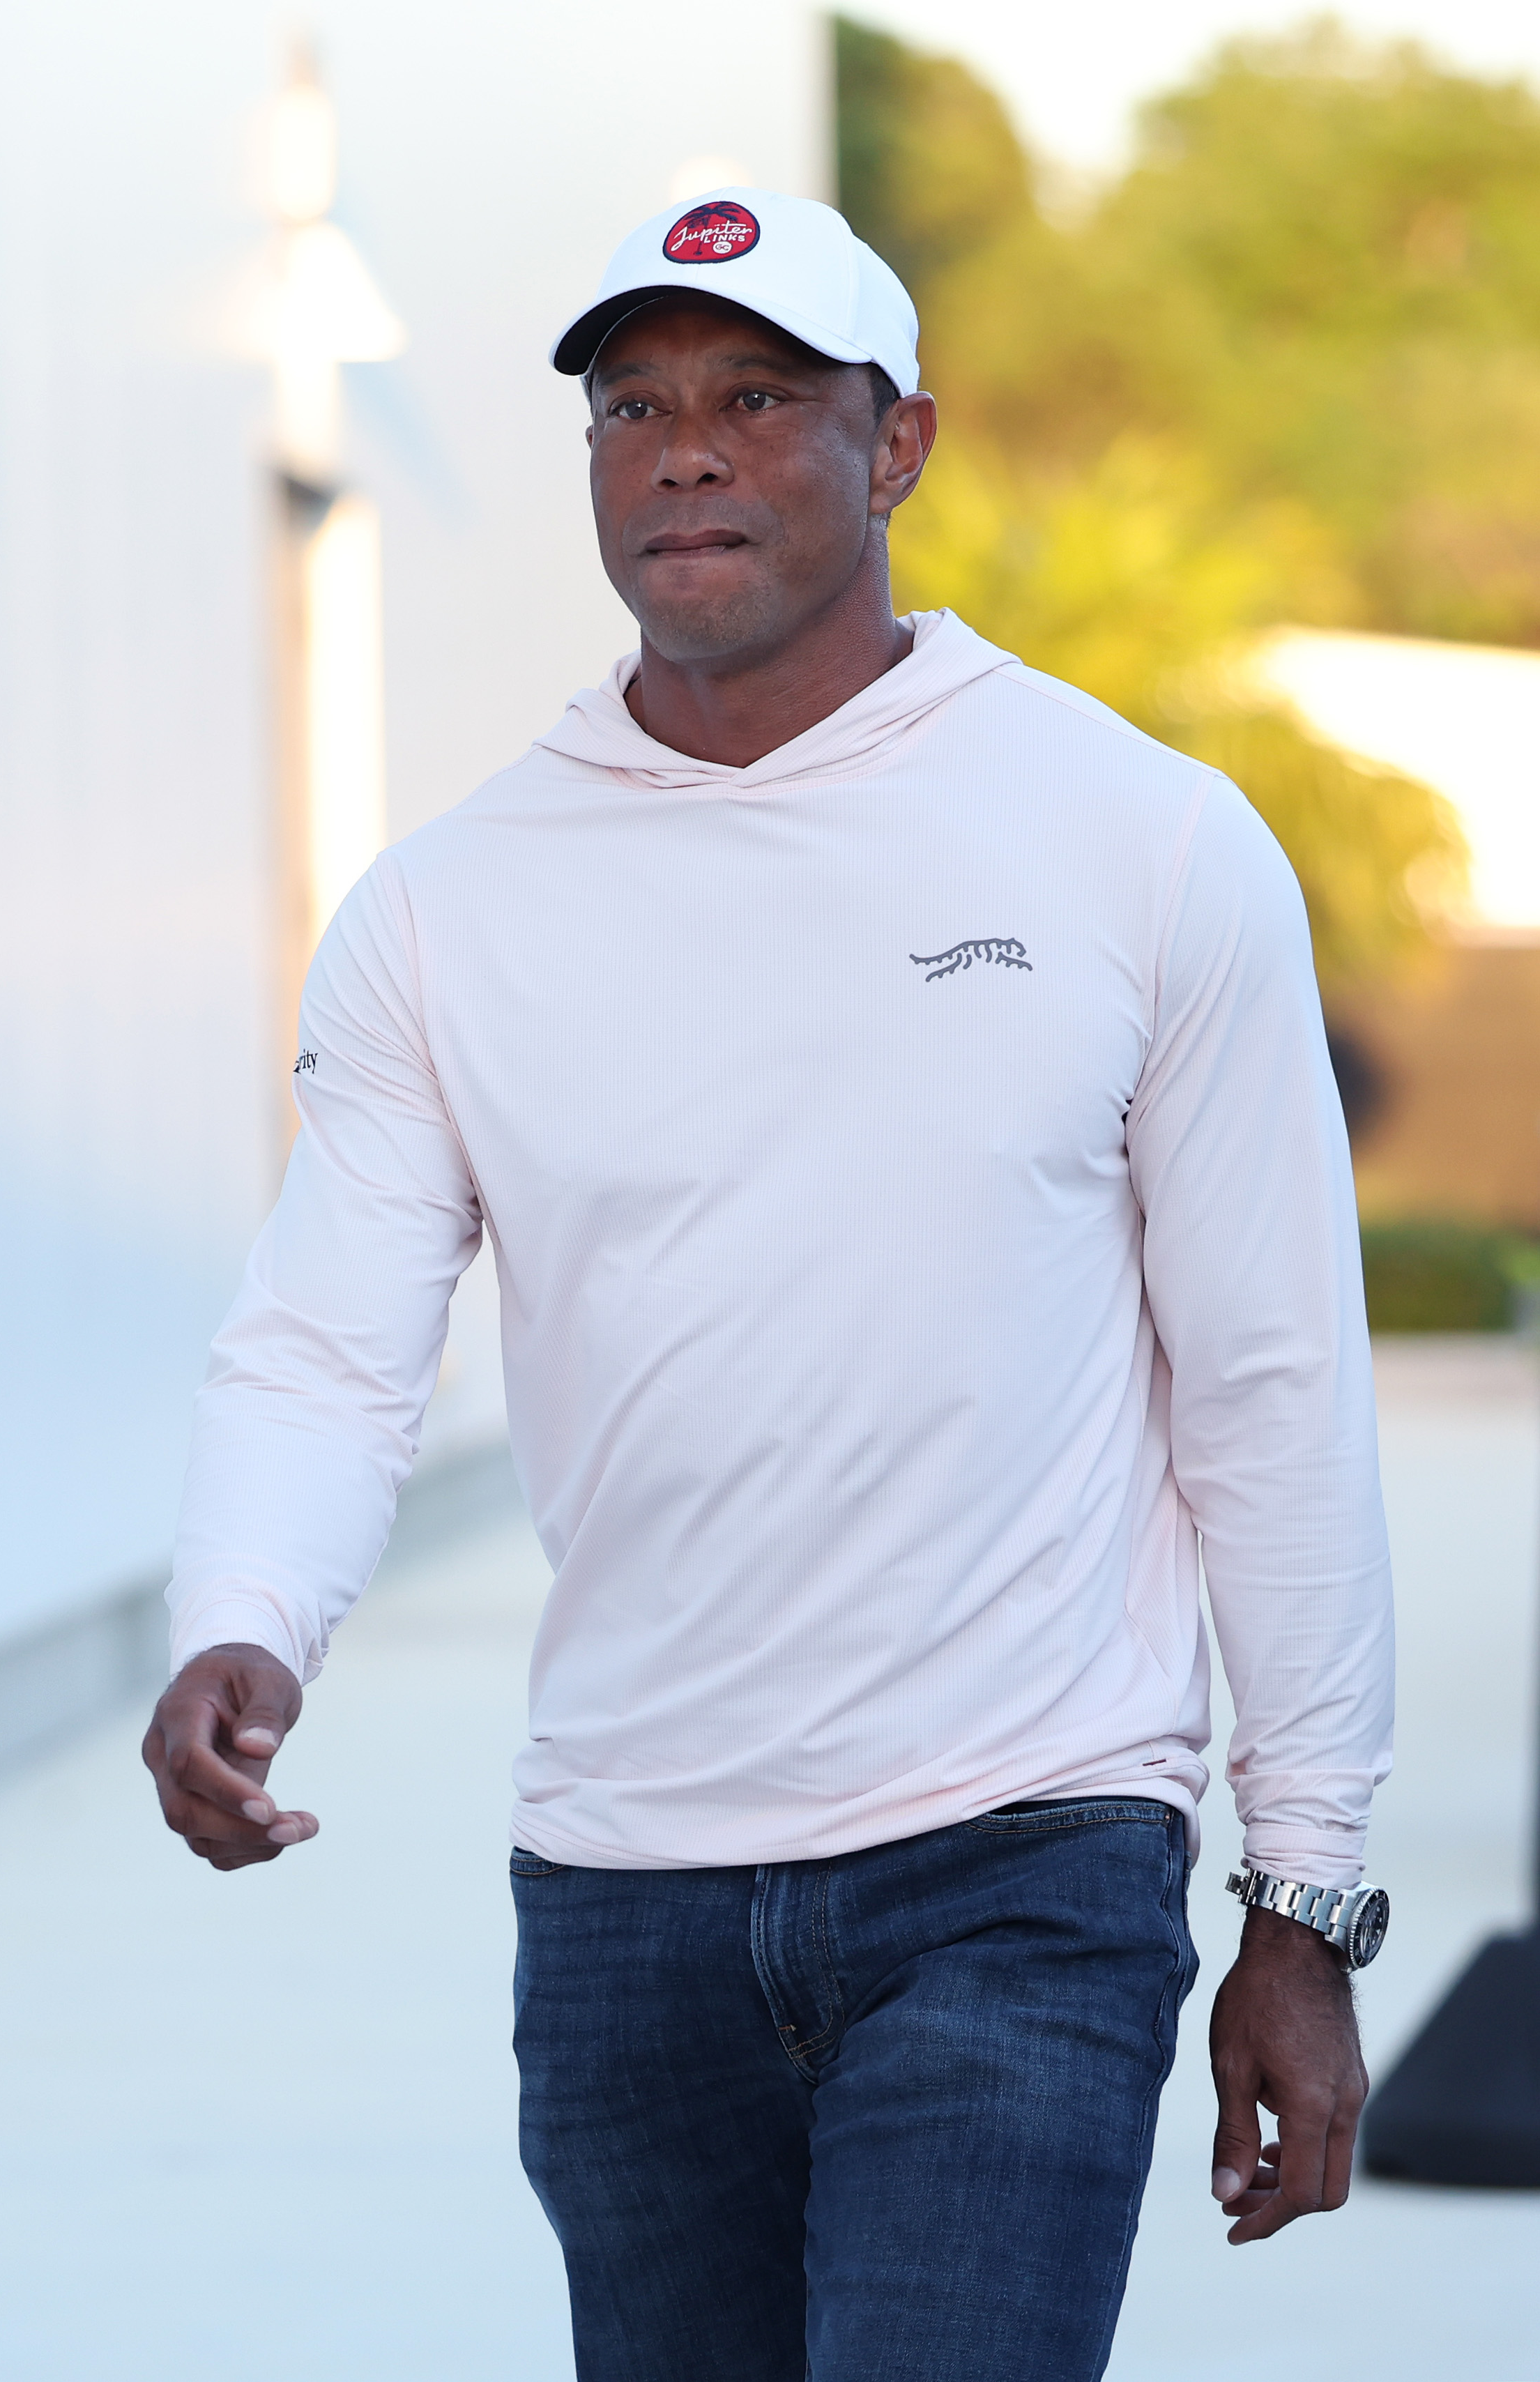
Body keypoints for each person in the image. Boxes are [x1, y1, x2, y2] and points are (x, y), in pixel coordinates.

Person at [144, 190, 1394, 2381]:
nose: (684, 452)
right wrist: (241, 1619)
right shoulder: (453, 904)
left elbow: (1273, 1386)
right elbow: (332, 1343)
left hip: (1029, 1853)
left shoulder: (1140, 838)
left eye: (756, 399)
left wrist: (1301, 1899)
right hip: (623, 1888)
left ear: (896, 445)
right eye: (633, 407)